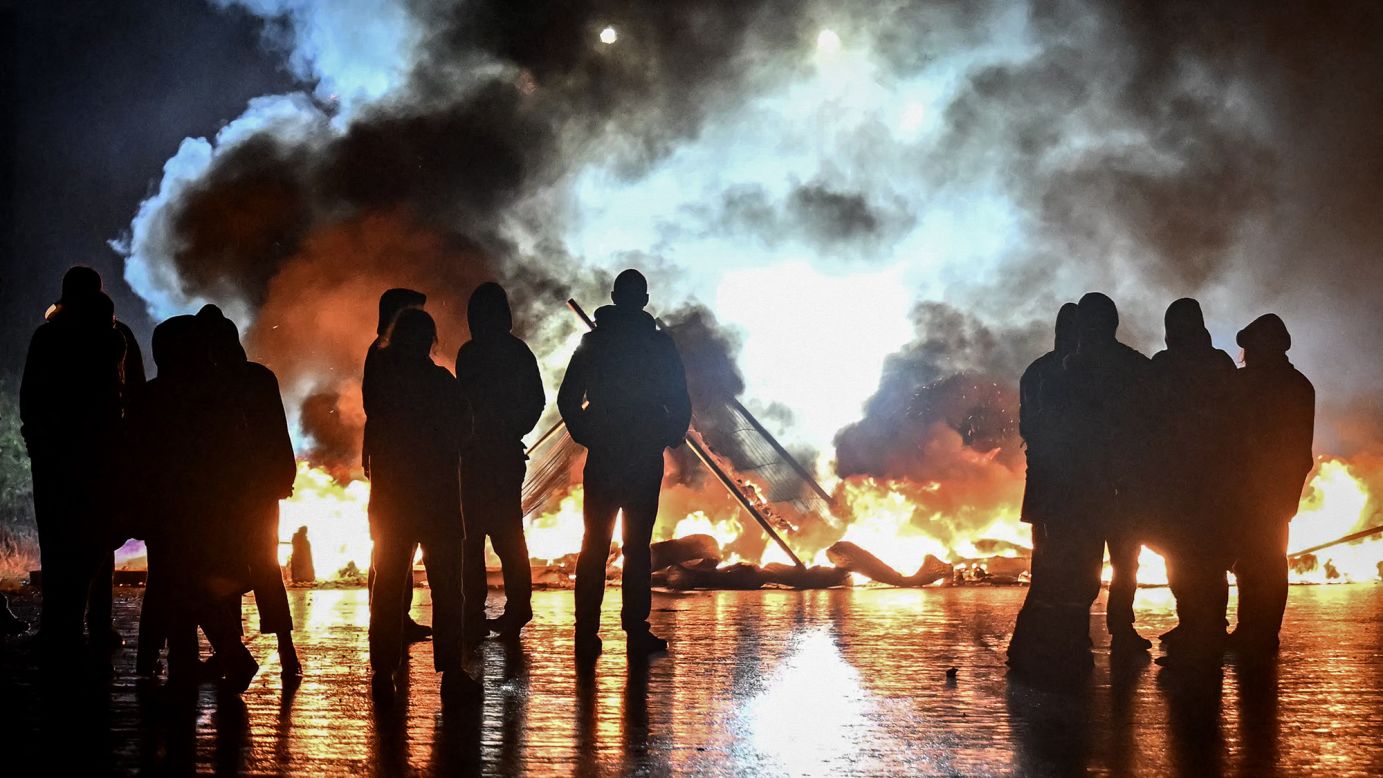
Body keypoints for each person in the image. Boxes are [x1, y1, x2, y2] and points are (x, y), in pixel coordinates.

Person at [558, 269, 691, 661]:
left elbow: (568, 399)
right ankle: (635, 629)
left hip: (606, 456)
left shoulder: (594, 343)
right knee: (636, 548)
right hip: (641, 457)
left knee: (595, 545)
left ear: (614, 297)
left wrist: (589, 434)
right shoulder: (660, 347)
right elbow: (679, 400)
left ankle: (586, 632)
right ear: (644, 300)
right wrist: (667, 435)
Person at [127, 315, 258, 691]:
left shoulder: (151, 397)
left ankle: (193, 659)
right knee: (189, 583)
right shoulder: (220, 397)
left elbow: (136, 455)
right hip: (210, 508)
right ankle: (203, 658)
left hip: (167, 508)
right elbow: (238, 455)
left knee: (176, 582)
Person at [365, 308, 479, 703]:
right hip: (438, 500)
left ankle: (383, 668)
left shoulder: (383, 386)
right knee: (448, 588)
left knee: (389, 584)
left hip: (392, 500)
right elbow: (465, 431)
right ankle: (450, 670)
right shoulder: (441, 383)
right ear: (430, 341)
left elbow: (376, 433)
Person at [20, 281, 127, 673]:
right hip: (99, 459)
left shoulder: (49, 338)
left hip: (55, 458)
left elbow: (30, 396)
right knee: (99, 542)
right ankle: (96, 625)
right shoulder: (115, 338)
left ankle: (58, 629)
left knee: (57, 541)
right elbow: (129, 398)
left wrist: (36, 442)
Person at [198, 305, 302, 679]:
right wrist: (283, 477)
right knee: (264, 567)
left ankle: (231, 649)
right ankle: (286, 652)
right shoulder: (260, 377)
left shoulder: (206, 386)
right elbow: (279, 431)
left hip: (223, 494)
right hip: (259, 492)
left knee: (222, 569)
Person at [1061, 293, 1153, 654]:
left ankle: (1078, 632)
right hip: (1121, 484)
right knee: (1124, 561)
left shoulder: (1067, 370)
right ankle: (1120, 629)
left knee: (1088, 561)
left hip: (1088, 484)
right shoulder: (1135, 366)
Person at [1147, 299, 1238, 667]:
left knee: (1192, 557)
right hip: (1198, 481)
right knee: (1193, 557)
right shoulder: (1218, 363)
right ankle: (1196, 625)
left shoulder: (1167, 365)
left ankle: (1204, 635)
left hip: (1190, 482)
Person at [454, 283, 545, 642]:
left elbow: (465, 403)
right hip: (495, 454)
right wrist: (512, 432)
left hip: (479, 456)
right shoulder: (516, 352)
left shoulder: (472, 353)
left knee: (476, 537)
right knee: (503, 536)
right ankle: (512, 608)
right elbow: (534, 401)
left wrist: (496, 433)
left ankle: (478, 610)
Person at [1007, 303, 1089, 676]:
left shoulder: (1037, 371)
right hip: (1075, 485)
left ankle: (1032, 643)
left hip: (1044, 483)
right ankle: (1065, 643)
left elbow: (1028, 427)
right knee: (1075, 568)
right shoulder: (1076, 372)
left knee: (1047, 565)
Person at [1230, 314, 1314, 656]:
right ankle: (1260, 631)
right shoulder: (1298, 385)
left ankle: (1255, 630)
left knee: (1255, 562)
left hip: (1255, 491)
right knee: (1263, 561)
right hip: (1272, 491)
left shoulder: (1248, 385)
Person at [363, 288, 432, 643]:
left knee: (392, 542)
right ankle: (388, 619)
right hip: (398, 463)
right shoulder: (383, 356)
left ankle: (393, 617)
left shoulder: (384, 355)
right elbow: (375, 409)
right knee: (392, 543)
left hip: (390, 459)